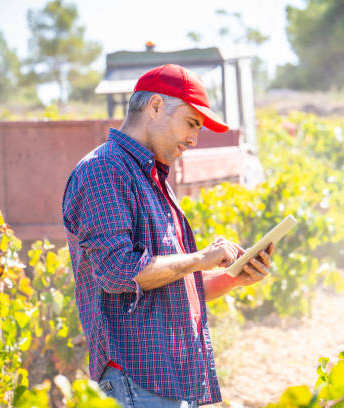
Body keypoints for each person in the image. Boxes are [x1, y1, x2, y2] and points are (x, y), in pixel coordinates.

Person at [62, 64, 274, 407]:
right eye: (191, 123)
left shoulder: (149, 175)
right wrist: (200, 258)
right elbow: (120, 273)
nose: (194, 139)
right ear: (156, 106)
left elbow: (171, 286)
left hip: (167, 378)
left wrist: (232, 279)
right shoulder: (104, 170)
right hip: (136, 380)